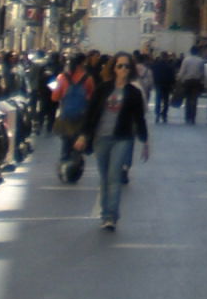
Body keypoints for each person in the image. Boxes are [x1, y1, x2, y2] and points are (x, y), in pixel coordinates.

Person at [75, 54, 150, 232]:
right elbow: (91, 113)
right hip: (101, 138)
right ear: (113, 68)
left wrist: (144, 140)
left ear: (131, 70)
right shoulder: (103, 89)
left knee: (114, 176)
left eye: (126, 67)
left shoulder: (134, 92)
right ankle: (105, 212)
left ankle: (111, 216)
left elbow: (139, 118)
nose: (123, 70)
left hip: (122, 138)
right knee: (104, 177)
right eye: (120, 66)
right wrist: (83, 135)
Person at [51, 54, 95, 169]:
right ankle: (76, 165)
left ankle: (63, 165)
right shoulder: (88, 78)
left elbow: (54, 97)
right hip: (82, 117)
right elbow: (92, 98)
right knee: (78, 142)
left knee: (66, 141)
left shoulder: (61, 77)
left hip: (66, 117)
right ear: (82, 64)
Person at [151, 51, 177, 125]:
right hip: (167, 85)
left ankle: (157, 114)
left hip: (158, 84)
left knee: (158, 99)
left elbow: (153, 74)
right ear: (166, 57)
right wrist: (173, 85)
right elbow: (172, 76)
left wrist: (154, 82)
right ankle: (164, 115)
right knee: (166, 101)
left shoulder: (155, 65)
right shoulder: (169, 66)